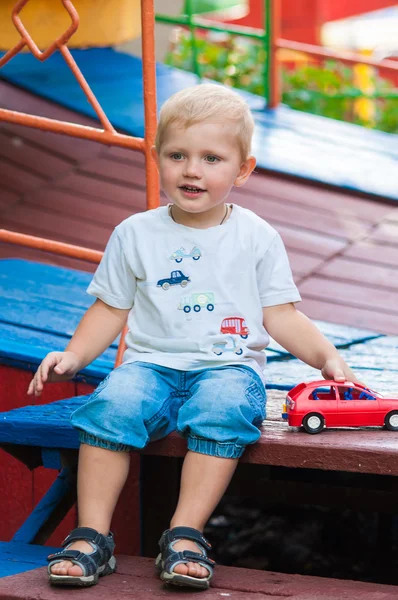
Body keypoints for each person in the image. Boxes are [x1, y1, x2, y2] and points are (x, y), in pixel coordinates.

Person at [27, 84, 358, 591]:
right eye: (178, 155)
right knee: (113, 402)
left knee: (224, 406)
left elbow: (281, 315)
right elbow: (110, 307)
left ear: (242, 170)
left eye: (211, 158)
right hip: (151, 365)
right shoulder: (136, 233)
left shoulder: (256, 237)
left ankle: (184, 533)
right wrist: (74, 355)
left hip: (228, 368)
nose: (192, 170)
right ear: (158, 157)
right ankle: (92, 535)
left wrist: (326, 358)